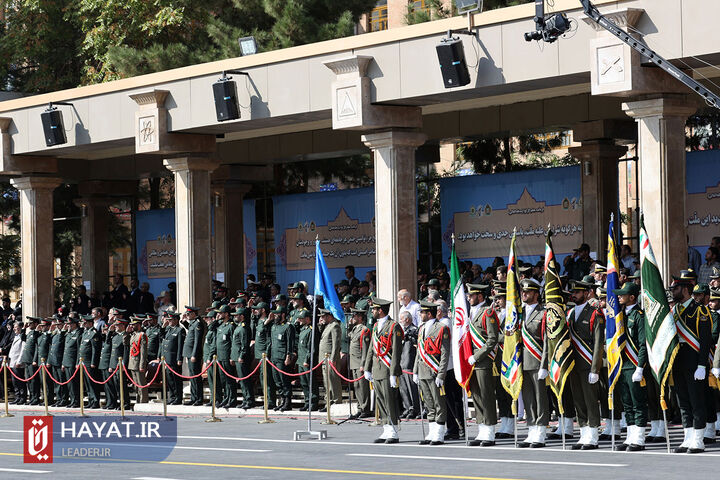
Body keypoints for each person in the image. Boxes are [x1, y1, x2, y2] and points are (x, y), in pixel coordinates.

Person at [671, 270, 713, 453]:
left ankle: (698, 439)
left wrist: (702, 365)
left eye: (676, 288)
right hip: (678, 362)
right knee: (683, 401)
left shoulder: (700, 310)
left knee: (697, 401)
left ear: (686, 290)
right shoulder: (674, 311)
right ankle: (688, 437)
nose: (673, 291)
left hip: (694, 362)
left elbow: (705, 341)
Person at [567, 278, 605, 450]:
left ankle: (593, 435)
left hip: (588, 362)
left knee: (590, 400)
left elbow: (598, 342)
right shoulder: (570, 313)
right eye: (572, 292)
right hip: (573, 363)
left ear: (586, 293)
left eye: (577, 292)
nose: (573, 295)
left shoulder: (594, 313)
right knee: (578, 399)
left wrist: (595, 368)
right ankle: (583, 432)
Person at [611, 282, 648, 452]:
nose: (619, 296)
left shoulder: (639, 315)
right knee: (626, 403)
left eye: (622, 294)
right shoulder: (620, 316)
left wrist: (640, 367)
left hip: (633, 365)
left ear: (632, 297)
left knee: (637, 403)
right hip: (622, 365)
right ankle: (630, 436)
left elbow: (642, 344)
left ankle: (639, 438)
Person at [364, 298, 403, 443]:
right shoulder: (375, 326)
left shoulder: (394, 326)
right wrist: (367, 367)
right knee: (381, 400)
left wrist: (393, 373)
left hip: (387, 369)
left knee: (389, 400)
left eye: (374, 309)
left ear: (380, 310)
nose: (372, 311)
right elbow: (371, 350)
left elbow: (397, 352)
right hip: (377, 368)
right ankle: (386, 428)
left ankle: (393, 430)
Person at [466, 284, 499, 447]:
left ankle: (490, 431)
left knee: (486, 396)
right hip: (472, 362)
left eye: (471, 295)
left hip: (484, 361)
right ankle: (481, 429)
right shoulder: (470, 313)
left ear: (480, 296)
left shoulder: (488, 312)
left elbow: (492, 339)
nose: (469, 298)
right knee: (477, 396)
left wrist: (477, 356)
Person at [413, 300, 451, 445]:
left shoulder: (441, 328)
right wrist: (415, 371)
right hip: (422, 370)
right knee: (428, 402)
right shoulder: (422, 328)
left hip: (434, 371)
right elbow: (419, 352)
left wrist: (441, 374)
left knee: (438, 403)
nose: (420, 314)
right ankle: (432, 432)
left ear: (429, 314)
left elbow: (444, 353)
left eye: (422, 312)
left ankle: (439, 433)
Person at [518, 278, 549, 448]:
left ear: (536, 294)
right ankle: (531, 429)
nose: (524, 294)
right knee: (528, 399)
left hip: (537, 362)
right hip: (522, 362)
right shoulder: (518, 312)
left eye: (528, 291)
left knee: (540, 399)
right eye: (523, 291)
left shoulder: (543, 313)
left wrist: (544, 365)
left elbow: (546, 341)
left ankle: (541, 432)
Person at [269, 305, 296, 411]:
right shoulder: (274, 326)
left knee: (284, 380)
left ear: (283, 314)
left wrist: (288, 356)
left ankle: (288, 402)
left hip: (282, 357)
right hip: (274, 357)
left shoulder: (288, 327)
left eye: (277, 314)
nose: (275, 315)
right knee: (277, 381)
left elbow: (290, 343)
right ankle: (282, 400)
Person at [348, 307, 371, 418]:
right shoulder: (354, 329)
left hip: (359, 362)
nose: (353, 318)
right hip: (353, 362)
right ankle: (360, 407)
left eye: (355, 316)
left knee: (363, 387)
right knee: (357, 386)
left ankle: (365, 408)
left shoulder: (364, 330)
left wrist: (363, 364)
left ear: (360, 317)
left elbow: (365, 349)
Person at [252, 302, 276, 407]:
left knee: (267, 378)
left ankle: (270, 401)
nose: (255, 311)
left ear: (263, 310)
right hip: (259, 354)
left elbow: (269, 340)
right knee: (263, 378)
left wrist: (266, 353)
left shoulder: (269, 323)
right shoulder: (259, 321)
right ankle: (266, 400)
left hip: (265, 355)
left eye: (258, 309)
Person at [295, 309, 320, 411]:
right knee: (304, 383)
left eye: (301, 318)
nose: (299, 320)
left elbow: (311, 348)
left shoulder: (311, 330)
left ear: (307, 319)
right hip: (301, 360)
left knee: (311, 383)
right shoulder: (303, 329)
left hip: (307, 361)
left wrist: (306, 360)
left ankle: (313, 403)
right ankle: (307, 402)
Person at [231, 307, 255, 409]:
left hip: (242, 358)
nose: (235, 317)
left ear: (242, 316)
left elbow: (244, 344)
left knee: (245, 380)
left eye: (237, 315)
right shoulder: (238, 327)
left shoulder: (244, 328)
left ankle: (249, 400)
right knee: (241, 380)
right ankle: (245, 399)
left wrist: (241, 356)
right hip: (236, 357)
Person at [318, 308, 342, 411]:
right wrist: (320, 324)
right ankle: (328, 403)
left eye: (323, 316)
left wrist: (333, 359)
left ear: (329, 316)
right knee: (327, 382)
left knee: (333, 382)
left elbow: (336, 345)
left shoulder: (335, 326)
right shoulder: (327, 325)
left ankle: (335, 402)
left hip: (331, 359)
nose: (321, 318)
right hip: (324, 359)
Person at [398, 310, 420, 419]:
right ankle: (407, 407)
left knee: (412, 387)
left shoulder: (414, 329)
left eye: (401, 319)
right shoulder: (401, 330)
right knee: (403, 388)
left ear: (407, 319)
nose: (400, 321)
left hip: (410, 362)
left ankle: (415, 408)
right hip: (402, 362)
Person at [160, 312, 186, 406]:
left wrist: (179, 359)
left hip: (174, 359)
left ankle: (178, 398)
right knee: (170, 379)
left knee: (176, 379)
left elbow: (180, 346)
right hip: (167, 359)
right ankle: (172, 397)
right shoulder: (168, 329)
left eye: (171, 320)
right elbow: (161, 337)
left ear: (176, 320)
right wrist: (163, 326)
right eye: (168, 320)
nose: (169, 322)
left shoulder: (180, 330)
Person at [182, 306, 205, 406]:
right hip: (189, 352)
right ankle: (193, 397)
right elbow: (190, 329)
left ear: (194, 314)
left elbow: (197, 341)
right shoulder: (193, 323)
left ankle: (198, 398)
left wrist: (194, 354)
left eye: (188, 314)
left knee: (196, 377)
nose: (187, 316)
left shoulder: (198, 324)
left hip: (193, 353)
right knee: (192, 376)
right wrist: (183, 322)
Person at [215, 305, 237, 408]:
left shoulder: (231, 326)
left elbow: (233, 343)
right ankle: (226, 397)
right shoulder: (220, 326)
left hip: (227, 357)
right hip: (220, 357)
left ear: (227, 314)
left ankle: (232, 399)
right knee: (223, 380)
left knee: (229, 380)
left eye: (221, 313)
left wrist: (232, 356)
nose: (218, 314)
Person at [79, 314, 102, 408]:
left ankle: (95, 401)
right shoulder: (85, 333)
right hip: (83, 362)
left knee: (92, 383)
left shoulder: (94, 333)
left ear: (89, 323)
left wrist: (93, 362)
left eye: (85, 323)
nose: (84, 325)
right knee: (87, 383)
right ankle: (90, 400)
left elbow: (95, 349)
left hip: (89, 362)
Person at [109, 316, 131, 410]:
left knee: (122, 386)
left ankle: (125, 403)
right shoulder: (115, 335)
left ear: (123, 326)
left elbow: (126, 352)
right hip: (114, 364)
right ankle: (120, 402)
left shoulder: (125, 336)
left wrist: (123, 365)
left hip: (120, 364)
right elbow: (110, 349)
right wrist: (111, 365)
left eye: (118, 325)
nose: (116, 327)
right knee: (117, 386)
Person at [61, 316, 82, 408]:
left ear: (74, 324)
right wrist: (63, 363)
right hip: (67, 362)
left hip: (73, 362)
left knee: (74, 383)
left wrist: (77, 362)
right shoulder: (68, 334)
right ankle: (72, 400)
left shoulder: (78, 334)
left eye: (69, 324)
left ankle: (76, 401)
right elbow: (65, 349)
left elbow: (78, 350)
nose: (67, 326)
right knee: (69, 384)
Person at [20, 316, 41, 405]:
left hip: (32, 360)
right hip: (27, 359)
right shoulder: (30, 333)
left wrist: (35, 359)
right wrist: (23, 330)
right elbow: (23, 338)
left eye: (31, 323)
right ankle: (32, 397)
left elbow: (37, 348)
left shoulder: (37, 333)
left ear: (36, 324)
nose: (28, 325)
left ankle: (36, 398)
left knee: (34, 381)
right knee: (29, 380)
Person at [127, 317, 149, 404]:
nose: (132, 327)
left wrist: (142, 365)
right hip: (132, 363)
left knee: (141, 384)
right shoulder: (132, 335)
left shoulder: (142, 335)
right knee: (136, 385)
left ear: (139, 325)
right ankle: (138, 400)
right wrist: (126, 332)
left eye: (134, 325)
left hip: (138, 363)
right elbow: (125, 343)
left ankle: (143, 401)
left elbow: (143, 352)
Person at [48, 317, 67, 406]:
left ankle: (63, 399)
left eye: (59, 324)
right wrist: (50, 330)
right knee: (56, 382)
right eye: (57, 325)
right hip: (54, 360)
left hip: (60, 361)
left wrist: (63, 330)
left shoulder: (64, 334)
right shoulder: (55, 334)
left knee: (61, 381)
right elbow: (49, 345)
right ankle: (59, 399)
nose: (58, 326)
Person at [202, 311, 218, 406]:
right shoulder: (210, 330)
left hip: (212, 359)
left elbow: (213, 346)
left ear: (213, 319)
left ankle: (215, 399)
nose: (206, 320)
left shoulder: (214, 330)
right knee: (211, 381)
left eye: (208, 318)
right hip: (207, 358)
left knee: (214, 381)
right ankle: (213, 399)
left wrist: (209, 358)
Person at [8, 321, 25, 404]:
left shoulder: (22, 337)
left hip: (18, 363)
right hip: (12, 361)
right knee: (15, 381)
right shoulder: (15, 336)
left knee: (20, 381)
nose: (15, 329)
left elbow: (22, 350)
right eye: (14, 327)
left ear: (21, 328)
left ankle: (22, 397)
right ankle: (17, 396)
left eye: (16, 327)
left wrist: (19, 361)